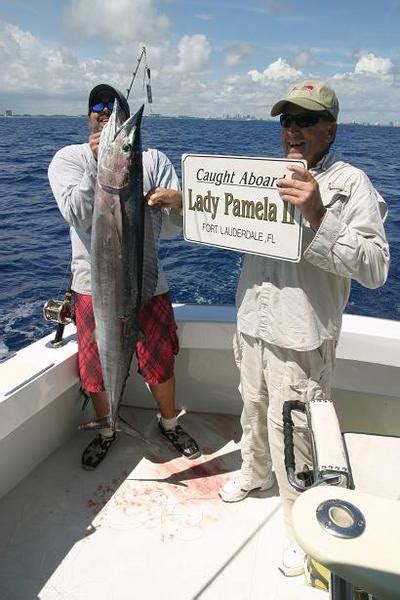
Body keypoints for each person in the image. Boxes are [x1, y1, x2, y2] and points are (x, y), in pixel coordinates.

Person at [218, 80, 390, 576]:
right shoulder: (261, 175)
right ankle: (253, 474)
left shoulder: (352, 184)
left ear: (330, 128)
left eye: (306, 120)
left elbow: (375, 268)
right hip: (252, 324)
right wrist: (185, 204)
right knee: (251, 409)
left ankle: (303, 524)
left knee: (297, 435)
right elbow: (224, 216)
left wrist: (317, 213)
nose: (293, 130)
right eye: (286, 121)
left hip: (301, 337)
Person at [48, 83, 200, 469]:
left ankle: (168, 424)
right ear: (88, 115)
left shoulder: (155, 161)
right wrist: (100, 165)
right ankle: (107, 427)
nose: (105, 113)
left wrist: (178, 204)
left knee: (159, 357)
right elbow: (79, 215)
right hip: (92, 286)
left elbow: (171, 229)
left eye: (114, 108)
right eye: (98, 107)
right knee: (94, 364)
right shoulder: (68, 159)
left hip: (148, 284)